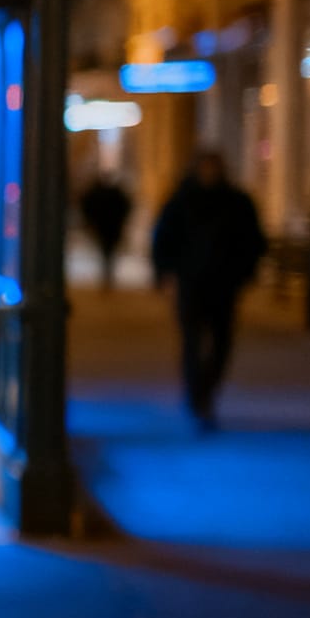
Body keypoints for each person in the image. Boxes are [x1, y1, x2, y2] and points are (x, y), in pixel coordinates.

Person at [151, 150, 267, 430]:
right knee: (192, 341)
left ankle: (205, 389)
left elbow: (253, 241)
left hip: (224, 284)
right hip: (191, 283)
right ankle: (196, 397)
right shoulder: (182, 201)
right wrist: (165, 273)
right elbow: (163, 239)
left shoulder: (237, 202)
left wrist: (245, 273)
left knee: (222, 341)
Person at [78, 171, 134, 290]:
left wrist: (90, 220)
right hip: (112, 226)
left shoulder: (98, 192)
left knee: (105, 249)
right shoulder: (116, 193)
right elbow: (126, 206)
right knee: (109, 250)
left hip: (103, 225)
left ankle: (106, 273)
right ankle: (107, 273)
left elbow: (86, 204)